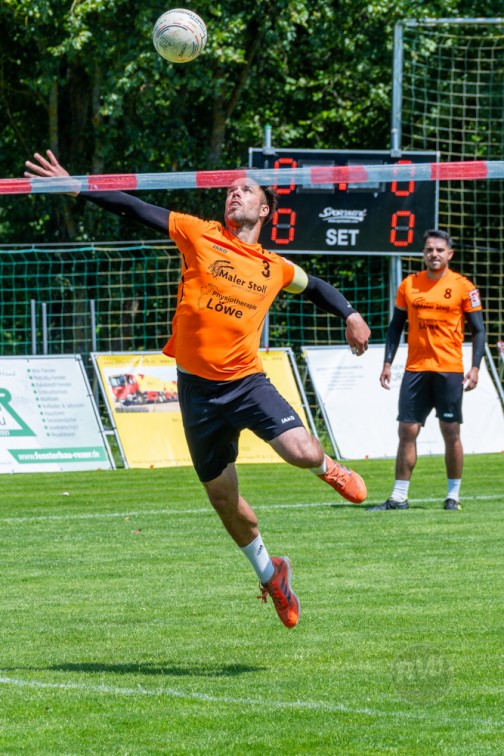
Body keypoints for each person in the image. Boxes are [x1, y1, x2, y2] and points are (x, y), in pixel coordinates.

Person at [25, 150, 371, 629]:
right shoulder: (198, 232)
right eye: (230, 189)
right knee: (225, 500)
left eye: (245, 189)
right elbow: (135, 207)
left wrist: (351, 315)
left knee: (303, 451)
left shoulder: (274, 267)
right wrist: (77, 186)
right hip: (197, 393)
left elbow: (316, 288)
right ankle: (272, 575)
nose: (234, 193)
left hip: (246, 383)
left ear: (265, 209)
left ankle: (327, 468)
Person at [368, 229, 485, 513]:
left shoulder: (464, 286)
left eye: (439, 250)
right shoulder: (409, 284)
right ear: (423, 253)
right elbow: (395, 327)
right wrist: (387, 362)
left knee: (451, 432)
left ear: (449, 254)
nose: (434, 254)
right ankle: (398, 498)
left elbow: (478, 330)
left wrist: (475, 367)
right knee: (406, 430)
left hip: (449, 370)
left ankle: (453, 496)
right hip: (416, 370)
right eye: (429, 249)